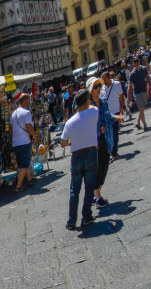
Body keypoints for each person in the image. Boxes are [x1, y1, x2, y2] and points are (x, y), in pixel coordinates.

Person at [60, 89, 99, 231]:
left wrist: (71, 139)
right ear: (87, 101)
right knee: (89, 187)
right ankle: (86, 216)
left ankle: (71, 220)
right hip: (91, 153)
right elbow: (92, 107)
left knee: (74, 190)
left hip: (76, 156)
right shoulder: (94, 112)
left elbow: (63, 143)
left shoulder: (69, 122)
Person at [88, 78, 119, 209]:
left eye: (99, 86)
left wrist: (117, 117)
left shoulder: (104, 102)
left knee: (104, 168)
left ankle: (95, 195)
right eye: (95, 87)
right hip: (94, 142)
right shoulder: (88, 106)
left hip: (105, 139)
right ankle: (97, 196)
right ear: (90, 90)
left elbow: (107, 116)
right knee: (97, 169)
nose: (99, 88)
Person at [10, 93, 35, 191]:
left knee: (22, 163)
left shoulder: (13, 114)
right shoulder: (26, 112)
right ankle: (18, 187)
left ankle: (29, 179)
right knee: (24, 165)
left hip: (15, 143)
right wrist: (35, 135)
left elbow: (11, 131)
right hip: (24, 141)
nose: (29, 102)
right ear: (24, 100)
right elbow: (29, 126)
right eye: (28, 100)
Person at [99, 71, 124, 160]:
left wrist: (123, 108)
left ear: (109, 77)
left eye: (105, 79)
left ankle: (114, 152)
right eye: (102, 80)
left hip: (115, 112)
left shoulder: (117, 84)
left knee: (114, 132)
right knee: (107, 133)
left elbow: (121, 96)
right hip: (106, 114)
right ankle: (111, 150)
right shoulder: (102, 88)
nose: (104, 81)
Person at [128, 58, 151, 132]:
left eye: (137, 61)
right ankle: (145, 125)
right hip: (137, 93)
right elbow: (130, 86)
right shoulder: (132, 74)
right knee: (141, 109)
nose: (136, 62)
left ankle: (137, 122)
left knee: (142, 109)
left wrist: (150, 84)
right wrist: (128, 97)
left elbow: (147, 77)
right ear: (133, 64)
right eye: (134, 62)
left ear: (139, 61)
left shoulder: (144, 69)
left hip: (144, 91)